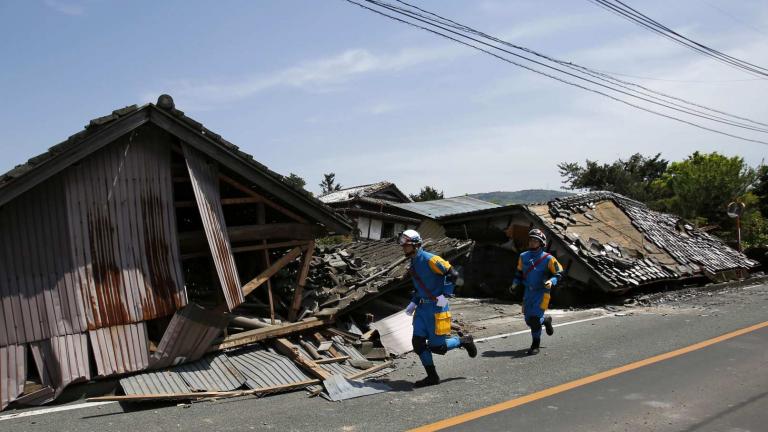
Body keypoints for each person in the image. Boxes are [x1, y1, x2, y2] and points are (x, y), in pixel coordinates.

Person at [400, 229, 477, 387]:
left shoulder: (431, 259)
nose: (403, 248)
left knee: (439, 348)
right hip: (422, 308)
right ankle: (432, 377)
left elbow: (453, 274)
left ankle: (464, 340)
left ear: (415, 245)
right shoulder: (413, 264)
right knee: (418, 343)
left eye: (406, 245)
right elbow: (419, 288)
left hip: (438, 305)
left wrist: (445, 296)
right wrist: (413, 302)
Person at [510, 228, 563, 355]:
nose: (532, 243)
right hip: (528, 292)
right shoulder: (523, 256)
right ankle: (545, 320)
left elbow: (559, 273)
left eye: (536, 241)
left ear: (541, 243)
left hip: (542, 292)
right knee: (528, 320)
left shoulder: (548, 258)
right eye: (531, 240)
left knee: (534, 320)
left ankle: (535, 344)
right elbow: (519, 273)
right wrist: (514, 284)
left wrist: (552, 281)